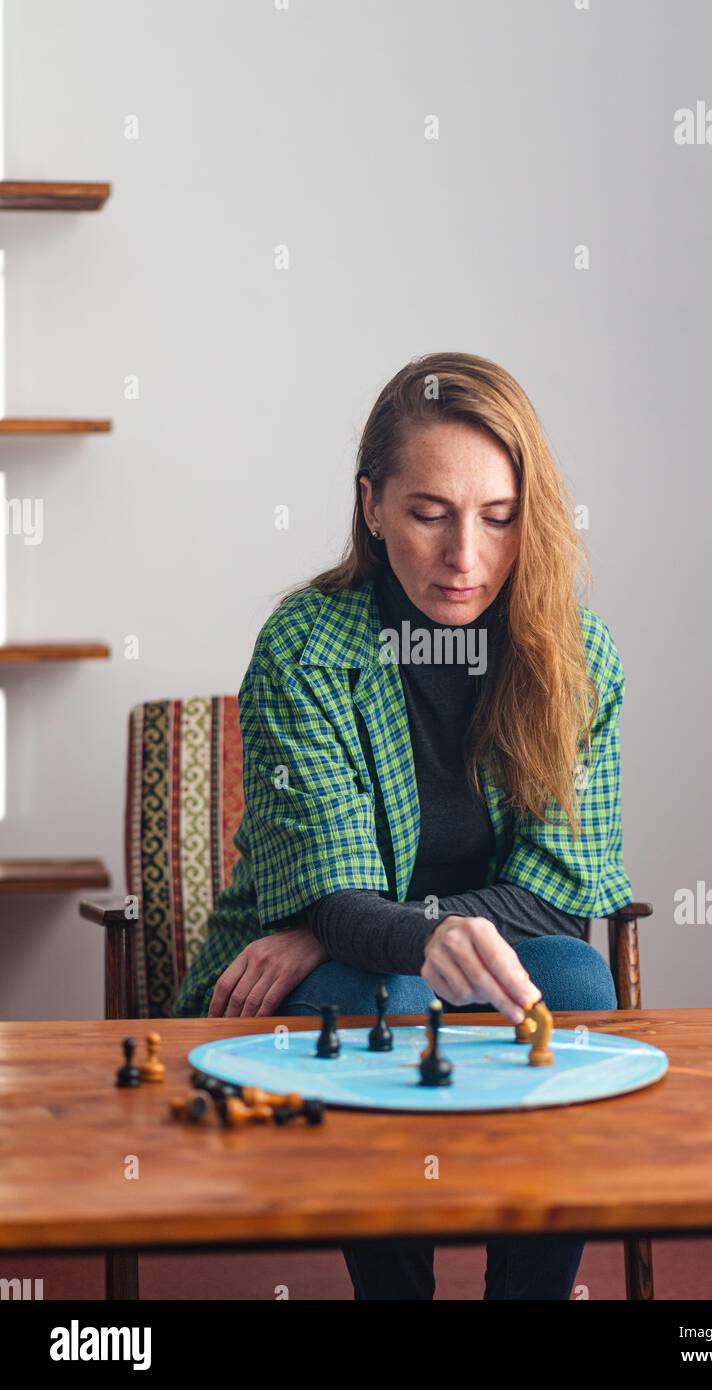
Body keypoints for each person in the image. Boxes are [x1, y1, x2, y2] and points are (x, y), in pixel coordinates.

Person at [171, 350, 634, 1299]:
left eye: (498, 519)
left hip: (383, 945)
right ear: (372, 506)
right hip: (339, 978)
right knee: (394, 999)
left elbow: (558, 895)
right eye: (429, 515)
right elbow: (340, 892)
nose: (465, 557)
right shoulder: (305, 643)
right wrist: (347, 925)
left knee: (581, 983)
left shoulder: (579, 657)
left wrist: (391, 925)